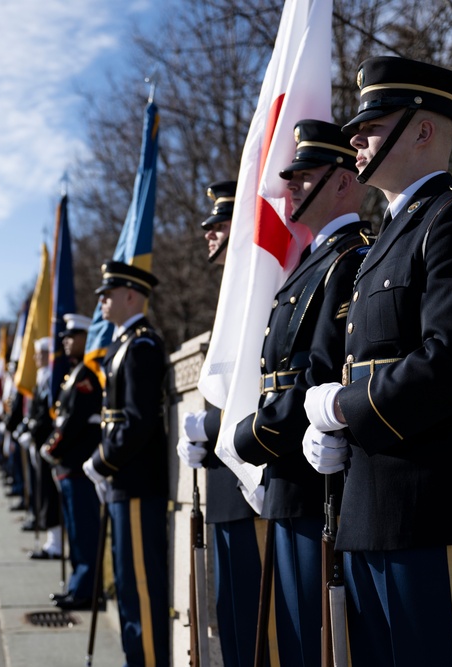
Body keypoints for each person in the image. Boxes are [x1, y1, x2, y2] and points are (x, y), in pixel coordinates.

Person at [302, 56, 452, 665]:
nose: (355, 138)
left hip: (439, 505)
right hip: (372, 506)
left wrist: (344, 409)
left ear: (423, 130)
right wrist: (331, 432)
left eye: (372, 125)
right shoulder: (386, 244)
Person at [228, 119, 369, 667]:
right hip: (286, 476)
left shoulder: (351, 259)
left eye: (306, 176)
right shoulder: (309, 264)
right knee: (287, 637)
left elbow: (320, 375)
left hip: (317, 483)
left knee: (317, 640)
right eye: (291, 176)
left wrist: (250, 438)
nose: (291, 186)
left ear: (343, 182)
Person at [177, 180, 266, 667]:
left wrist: (209, 429)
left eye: (220, 223)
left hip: (255, 488)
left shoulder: (264, 290)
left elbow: (257, 391)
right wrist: (207, 443)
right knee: (233, 629)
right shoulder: (233, 297)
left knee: (259, 637)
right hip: (227, 487)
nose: (209, 231)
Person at [83, 261, 169, 667]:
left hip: (136, 483)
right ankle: (135, 658)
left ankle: (148, 660)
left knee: (140, 584)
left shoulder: (142, 346)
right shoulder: (123, 344)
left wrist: (101, 462)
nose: (101, 300)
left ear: (131, 295)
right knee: (127, 583)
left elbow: (137, 422)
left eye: (108, 293)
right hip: (123, 482)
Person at [40, 313, 103, 610]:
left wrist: (52, 449)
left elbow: (75, 422)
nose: (66, 341)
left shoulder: (87, 377)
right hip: (67, 465)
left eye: (72, 336)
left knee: (84, 531)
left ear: (85, 339)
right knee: (75, 532)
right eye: (64, 337)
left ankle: (86, 589)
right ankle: (78, 586)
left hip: (78, 464)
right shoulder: (73, 375)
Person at [18, 337, 62, 558]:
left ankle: (56, 543)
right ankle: (51, 539)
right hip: (39, 442)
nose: (35, 358)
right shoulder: (42, 378)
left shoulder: (52, 378)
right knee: (42, 489)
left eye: (40, 353)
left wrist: (34, 433)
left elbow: (47, 414)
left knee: (49, 493)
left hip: (48, 444)